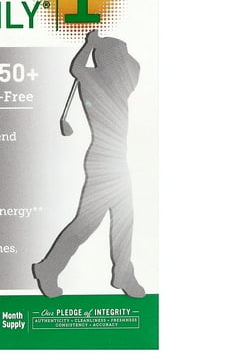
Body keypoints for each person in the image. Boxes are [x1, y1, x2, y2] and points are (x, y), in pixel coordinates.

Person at [32, 31, 145, 298]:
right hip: (103, 159)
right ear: (112, 61)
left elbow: (135, 67)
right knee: (88, 223)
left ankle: (123, 272)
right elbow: (77, 68)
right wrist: (89, 45)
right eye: (121, 57)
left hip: (116, 159)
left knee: (124, 219)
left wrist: (95, 45)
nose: (125, 61)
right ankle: (49, 268)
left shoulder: (120, 82)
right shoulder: (95, 80)